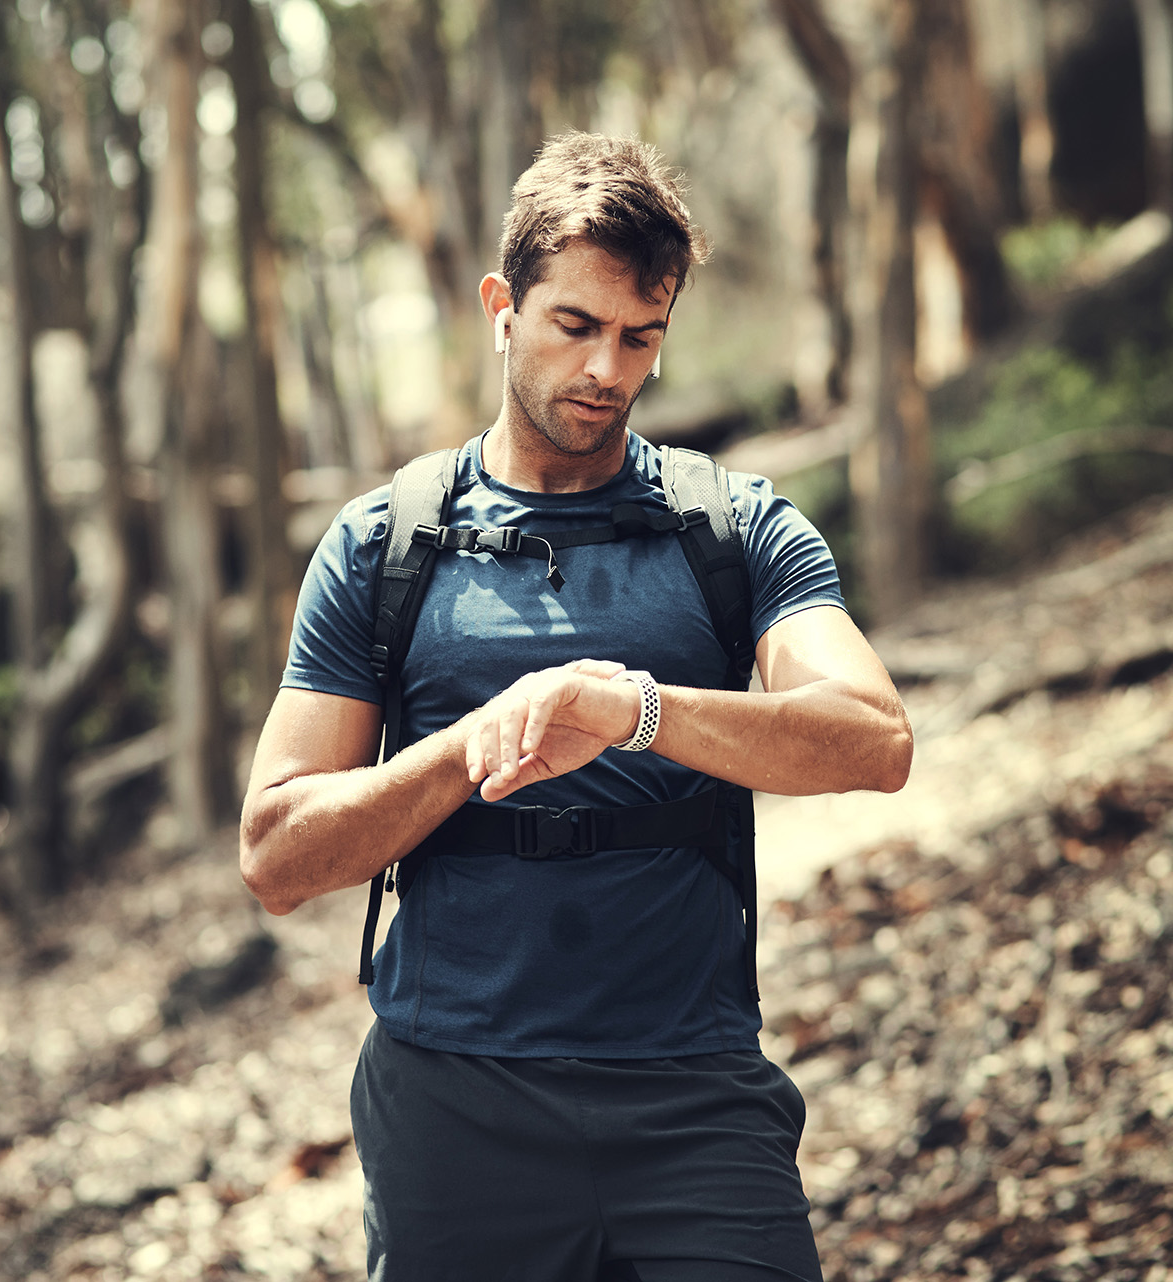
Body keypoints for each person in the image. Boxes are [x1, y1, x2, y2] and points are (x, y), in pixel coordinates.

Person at [238, 132, 912, 1282]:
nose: (607, 367)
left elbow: (875, 739)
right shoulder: (380, 546)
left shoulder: (732, 527)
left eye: (639, 336)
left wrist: (633, 709)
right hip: (456, 1103)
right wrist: (467, 747)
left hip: (693, 1093)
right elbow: (276, 855)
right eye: (574, 325)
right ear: (502, 305)